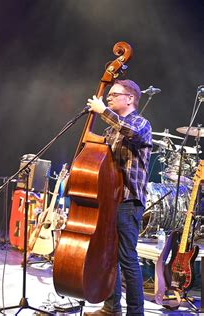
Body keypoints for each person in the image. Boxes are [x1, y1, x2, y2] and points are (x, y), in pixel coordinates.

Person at [84, 79, 152, 316]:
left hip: (128, 201)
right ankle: (111, 308)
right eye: (108, 96)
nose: (108, 98)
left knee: (127, 258)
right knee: (108, 256)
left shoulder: (142, 123)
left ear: (130, 98)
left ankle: (136, 313)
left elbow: (131, 132)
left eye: (113, 95)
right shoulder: (110, 129)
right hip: (109, 199)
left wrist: (103, 111)